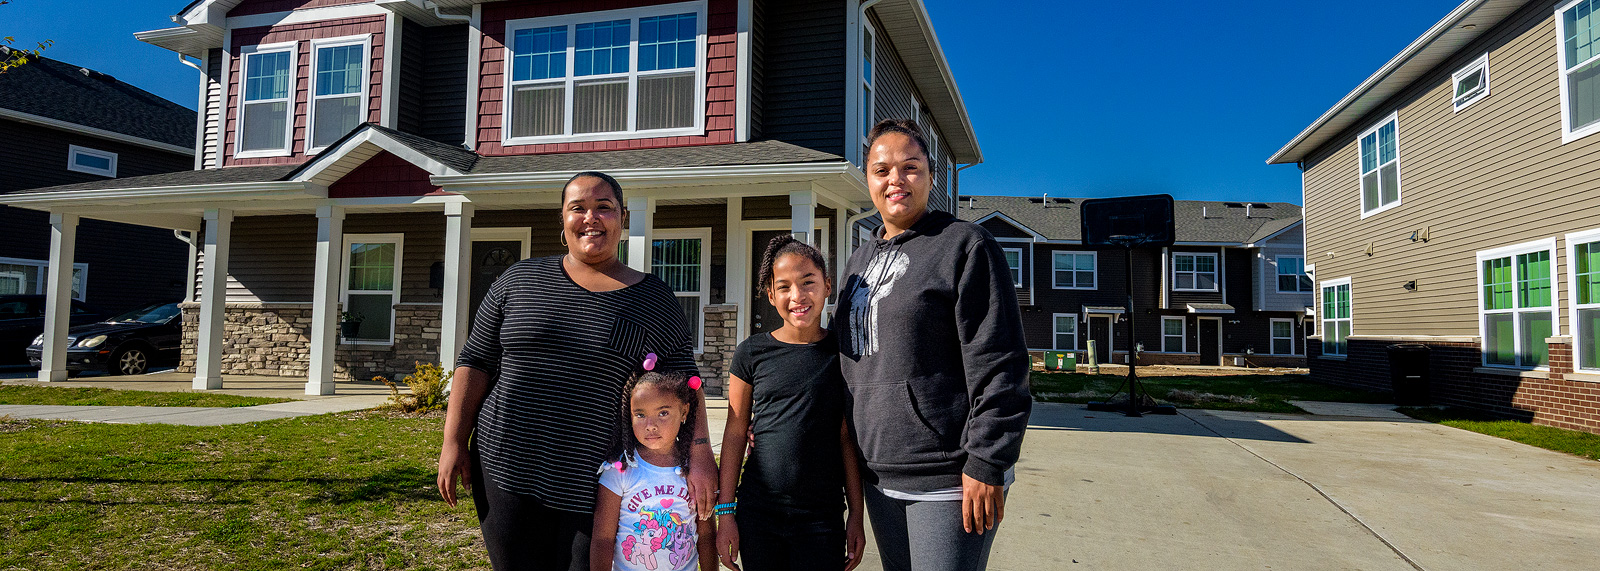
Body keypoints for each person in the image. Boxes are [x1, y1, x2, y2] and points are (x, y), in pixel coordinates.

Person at [436, 171, 718, 571]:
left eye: (604, 207)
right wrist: (453, 440)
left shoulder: (654, 298)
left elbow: (687, 384)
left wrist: (701, 453)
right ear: (562, 219)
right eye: (578, 208)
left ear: (623, 216)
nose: (591, 217)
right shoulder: (519, 279)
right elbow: (476, 361)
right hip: (505, 466)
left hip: (595, 480)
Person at [833, 119, 1032, 571]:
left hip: (950, 478)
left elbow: (1000, 362)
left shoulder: (965, 246)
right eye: (882, 170)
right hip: (880, 476)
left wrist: (987, 460)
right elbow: (846, 365)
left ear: (930, 176)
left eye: (910, 167)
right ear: (868, 179)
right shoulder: (859, 262)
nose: (895, 180)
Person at [714, 236, 866, 571]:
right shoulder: (751, 353)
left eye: (808, 282)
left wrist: (856, 513)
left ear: (827, 286)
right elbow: (736, 430)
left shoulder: (843, 355)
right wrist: (726, 512)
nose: (797, 296)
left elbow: (845, 438)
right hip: (758, 512)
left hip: (821, 518)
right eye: (783, 287)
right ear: (771, 295)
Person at [591, 366, 718, 571]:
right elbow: (603, 538)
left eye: (663, 413)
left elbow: (706, 535)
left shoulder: (694, 472)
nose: (650, 425)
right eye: (640, 415)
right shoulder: (620, 469)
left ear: (684, 412)